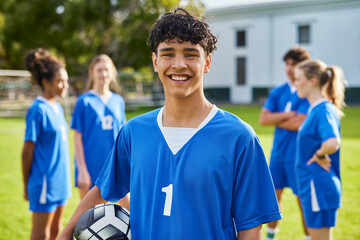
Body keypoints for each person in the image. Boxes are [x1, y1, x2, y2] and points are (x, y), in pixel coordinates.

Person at [57, 8, 281, 240]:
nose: (179, 64)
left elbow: (250, 228)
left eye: (191, 54)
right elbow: (102, 191)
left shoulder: (239, 137)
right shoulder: (135, 132)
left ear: (207, 62)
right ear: (155, 61)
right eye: (168, 53)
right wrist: (63, 236)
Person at [259, 46, 311, 240]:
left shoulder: (307, 90)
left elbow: (302, 123)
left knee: (303, 202)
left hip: (300, 156)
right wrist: (288, 116)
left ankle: (309, 237)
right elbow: (263, 119)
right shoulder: (278, 91)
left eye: (294, 64)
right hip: (278, 155)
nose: (290, 69)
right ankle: (270, 237)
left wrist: (277, 118)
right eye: (287, 64)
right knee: (273, 200)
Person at [21, 48, 71, 240]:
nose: (65, 85)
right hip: (44, 183)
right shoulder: (37, 109)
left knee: (56, 232)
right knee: (40, 236)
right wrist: (27, 185)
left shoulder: (57, 107)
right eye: (60, 81)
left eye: (66, 80)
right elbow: (27, 152)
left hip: (61, 182)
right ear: (45, 82)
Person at [293, 59, 345, 240]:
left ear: (312, 81)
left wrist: (319, 154)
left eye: (298, 79)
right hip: (315, 186)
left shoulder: (323, 109)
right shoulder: (316, 109)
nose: (294, 83)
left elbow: (332, 142)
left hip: (318, 186)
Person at [70, 54, 128, 207]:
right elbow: (77, 137)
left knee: (131, 212)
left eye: (107, 70)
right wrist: (82, 169)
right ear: (92, 72)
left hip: (115, 167)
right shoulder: (84, 101)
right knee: (88, 219)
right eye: (99, 70)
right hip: (91, 167)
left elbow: (123, 136)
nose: (104, 74)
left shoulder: (118, 101)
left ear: (112, 72)